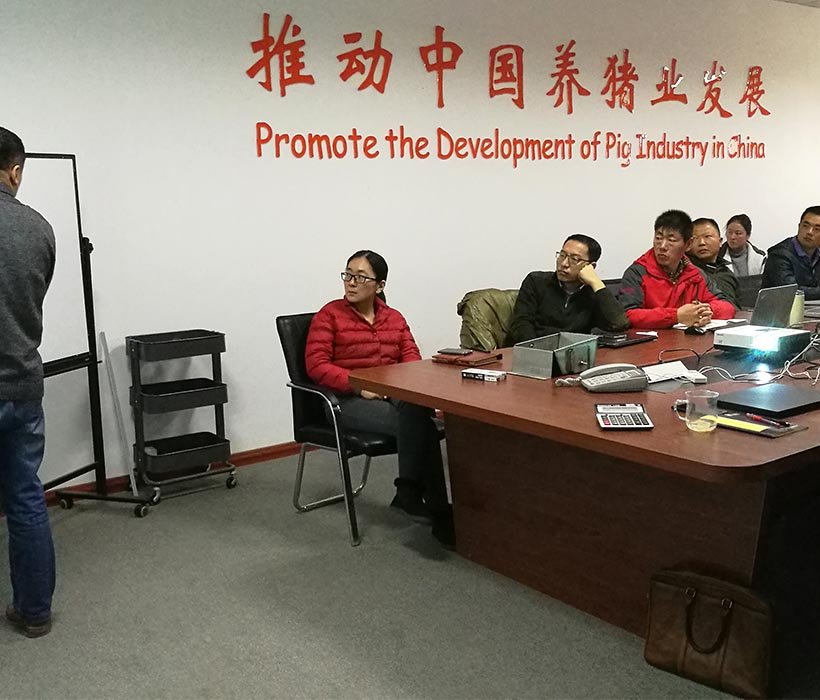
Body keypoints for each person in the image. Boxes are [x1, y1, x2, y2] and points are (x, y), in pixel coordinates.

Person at [305, 250, 454, 548]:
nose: (351, 282)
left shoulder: (393, 318)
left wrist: (402, 385)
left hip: (392, 395)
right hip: (347, 401)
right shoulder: (329, 315)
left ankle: (410, 491)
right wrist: (359, 386)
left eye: (361, 277)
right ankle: (436, 508)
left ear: (380, 285)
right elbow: (316, 365)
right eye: (348, 274)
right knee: (422, 426)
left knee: (415, 411)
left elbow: (411, 358)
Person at [0, 127, 56, 638]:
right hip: (21, 386)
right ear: (15, 171)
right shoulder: (39, 229)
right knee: (24, 498)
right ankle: (35, 612)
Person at [619, 209, 735, 329]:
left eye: (671, 240)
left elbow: (727, 307)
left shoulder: (695, 274)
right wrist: (676, 316)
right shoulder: (637, 272)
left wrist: (703, 312)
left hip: (687, 339)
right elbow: (627, 316)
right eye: (658, 238)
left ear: (688, 244)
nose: (662, 246)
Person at [508, 234, 629, 344]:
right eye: (562, 255)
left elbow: (619, 324)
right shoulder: (536, 281)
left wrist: (596, 282)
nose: (564, 263)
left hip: (573, 354)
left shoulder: (593, 293)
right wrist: (536, 350)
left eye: (574, 259)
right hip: (534, 350)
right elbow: (521, 324)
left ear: (590, 266)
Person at [761, 206, 820, 300]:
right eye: (805, 226)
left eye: (817, 229)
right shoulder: (779, 255)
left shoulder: (817, 255)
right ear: (799, 226)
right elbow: (790, 292)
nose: (809, 232)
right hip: (778, 308)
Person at [687, 217, 740, 308]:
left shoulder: (728, 274)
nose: (702, 242)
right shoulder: (686, 272)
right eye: (695, 238)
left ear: (720, 241)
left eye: (707, 236)